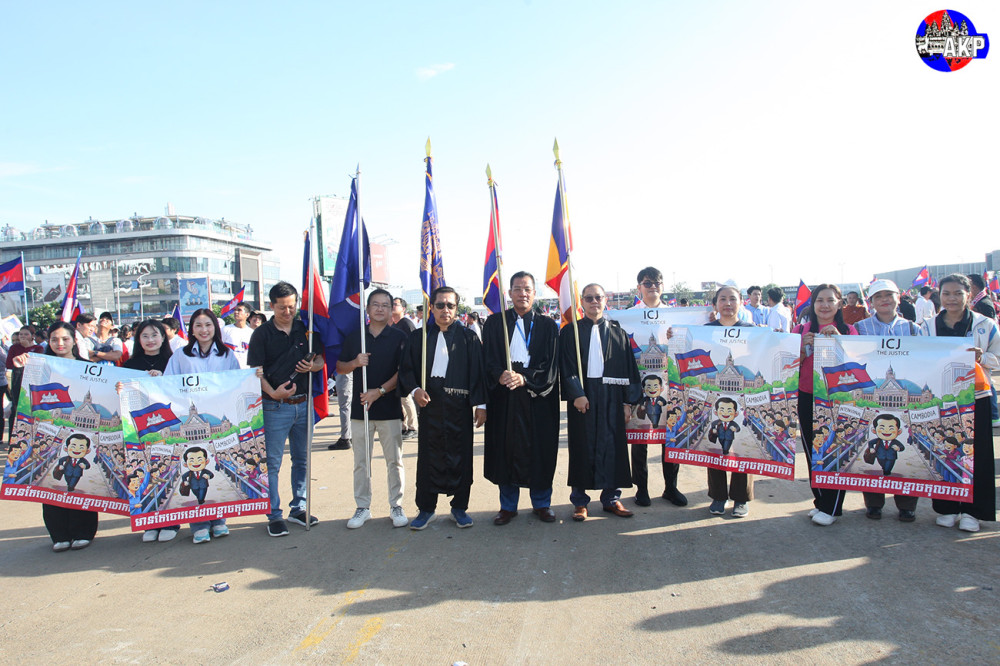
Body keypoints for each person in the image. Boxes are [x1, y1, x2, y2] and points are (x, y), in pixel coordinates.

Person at [398, 286, 487, 530]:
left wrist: (481, 405)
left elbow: (478, 373)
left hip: (460, 406)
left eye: (450, 305)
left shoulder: (469, 338)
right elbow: (406, 370)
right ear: (432, 308)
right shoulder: (419, 337)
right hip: (430, 405)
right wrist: (415, 390)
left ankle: (459, 508)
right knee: (429, 457)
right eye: (440, 305)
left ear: (457, 309)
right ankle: (426, 509)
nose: (445, 310)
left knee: (462, 456)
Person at [919, 274, 998, 533]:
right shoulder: (927, 327)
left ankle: (974, 512)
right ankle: (947, 507)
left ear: (968, 295)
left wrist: (982, 357)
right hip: (943, 398)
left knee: (978, 454)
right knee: (945, 450)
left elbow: (997, 357)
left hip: (976, 396)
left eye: (957, 293)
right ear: (939, 296)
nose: (951, 298)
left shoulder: (985, 325)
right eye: (946, 293)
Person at [247, 282, 325, 537]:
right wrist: (273, 392)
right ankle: (274, 514)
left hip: (304, 404)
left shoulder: (306, 329)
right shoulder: (262, 334)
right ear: (272, 306)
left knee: (302, 459)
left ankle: (299, 507)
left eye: (292, 306)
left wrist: (313, 367)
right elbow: (255, 372)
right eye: (282, 307)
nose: (288, 312)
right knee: (272, 463)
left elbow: (321, 359)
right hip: (274, 406)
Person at [483, 272, 560, 525]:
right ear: (509, 293)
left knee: (540, 450)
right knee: (505, 450)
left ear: (534, 293)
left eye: (527, 289)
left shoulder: (548, 326)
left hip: (537, 398)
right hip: (504, 397)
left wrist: (525, 378)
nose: (522, 294)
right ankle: (508, 506)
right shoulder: (494, 323)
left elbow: (551, 364)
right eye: (517, 289)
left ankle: (542, 503)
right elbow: (487, 358)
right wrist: (500, 374)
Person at [560, 283, 640, 521]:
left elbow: (628, 368)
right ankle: (580, 501)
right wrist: (576, 393)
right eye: (589, 298)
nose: (594, 302)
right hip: (583, 395)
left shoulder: (618, 332)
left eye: (598, 297)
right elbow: (566, 364)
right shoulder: (571, 332)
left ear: (605, 300)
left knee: (612, 447)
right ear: (582, 302)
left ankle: (611, 499)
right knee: (581, 447)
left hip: (611, 395)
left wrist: (627, 403)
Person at [164, 308, 239, 543]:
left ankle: (219, 519)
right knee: (193, 469)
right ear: (192, 329)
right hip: (189, 419)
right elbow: (167, 384)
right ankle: (198, 523)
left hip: (216, 418)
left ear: (215, 328)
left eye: (208, 325)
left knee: (215, 468)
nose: (204, 330)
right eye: (198, 325)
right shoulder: (181, 356)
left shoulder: (227, 355)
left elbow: (237, 383)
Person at [336, 289, 408, 529]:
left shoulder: (399, 337)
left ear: (391, 310)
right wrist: (355, 362)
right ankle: (362, 506)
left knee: (394, 461)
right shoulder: (355, 336)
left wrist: (380, 391)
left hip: (389, 408)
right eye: (375, 304)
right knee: (361, 462)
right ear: (367, 309)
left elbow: (403, 372)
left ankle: (396, 505)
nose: (380, 309)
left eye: (385, 305)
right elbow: (340, 367)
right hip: (361, 410)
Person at [855, 279, 920, 521]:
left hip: (904, 398)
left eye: (888, 295)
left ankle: (907, 504)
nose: (884, 300)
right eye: (878, 296)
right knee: (873, 448)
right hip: (873, 396)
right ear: (871, 302)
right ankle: (874, 502)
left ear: (898, 298)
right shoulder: (860, 328)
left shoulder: (913, 329)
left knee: (905, 451)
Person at [794, 284, 859, 526]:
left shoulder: (850, 331)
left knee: (834, 450)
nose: (824, 305)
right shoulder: (800, 330)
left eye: (830, 300)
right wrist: (802, 348)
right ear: (813, 304)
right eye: (820, 300)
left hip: (837, 398)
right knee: (813, 451)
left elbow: (856, 366)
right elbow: (789, 365)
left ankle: (832, 507)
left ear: (839, 304)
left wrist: (840, 342)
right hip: (807, 394)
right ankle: (820, 501)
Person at [629, 266, 687, 508]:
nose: (652, 287)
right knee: (639, 439)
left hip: (669, 387)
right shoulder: (628, 316)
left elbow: (690, 346)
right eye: (647, 283)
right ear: (639, 288)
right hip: (639, 387)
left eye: (656, 283)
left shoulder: (676, 316)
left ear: (662, 286)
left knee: (670, 438)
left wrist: (680, 336)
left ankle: (670, 487)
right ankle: (641, 487)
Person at [40, 322, 100, 552]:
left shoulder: (88, 368)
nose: (60, 343)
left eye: (65, 339)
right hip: (52, 432)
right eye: (54, 339)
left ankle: (83, 530)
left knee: (82, 480)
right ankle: (59, 534)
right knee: (52, 481)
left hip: (82, 437)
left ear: (74, 340)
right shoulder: (41, 366)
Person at [120, 319, 180, 542]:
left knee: (166, 471)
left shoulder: (173, 362)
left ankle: (171, 522)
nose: (150, 340)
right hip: (140, 429)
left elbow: (181, 392)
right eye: (145, 336)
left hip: (166, 427)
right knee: (144, 473)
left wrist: (163, 380)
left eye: (155, 335)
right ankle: (150, 522)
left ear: (164, 338)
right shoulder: (129, 364)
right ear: (138, 339)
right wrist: (119, 387)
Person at [704, 285, 755, 517]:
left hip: (741, 401)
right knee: (714, 445)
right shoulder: (706, 331)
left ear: (741, 302)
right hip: (716, 400)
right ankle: (718, 495)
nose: (727, 303)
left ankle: (741, 498)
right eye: (722, 299)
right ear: (716, 304)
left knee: (742, 447)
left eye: (732, 299)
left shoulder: (752, 331)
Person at [6, 326, 43, 438]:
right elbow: (9, 364)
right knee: (15, 407)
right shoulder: (14, 348)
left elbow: (38, 363)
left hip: (32, 380)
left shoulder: (38, 348)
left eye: (26, 334)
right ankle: (12, 437)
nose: (23, 336)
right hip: (17, 379)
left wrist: (27, 349)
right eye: (21, 334)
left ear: (32, 336)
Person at [391, 297, 418, 440]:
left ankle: (413, 427)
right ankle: (404, 425)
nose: (392, 306)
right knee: (400, 398)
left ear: (403, 308)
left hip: (405, 366)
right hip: (396, 366)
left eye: (395, 304)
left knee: (406, 397)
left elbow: (415, 345)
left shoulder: (407, 324)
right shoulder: (394, 325)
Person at [222, 302, 254, 368]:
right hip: (228, 369)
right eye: (235, 310)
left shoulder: (252, 333)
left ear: (247, 314)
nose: (236, 312)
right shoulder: (225, 329)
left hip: (246, 370)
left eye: (239, 310)